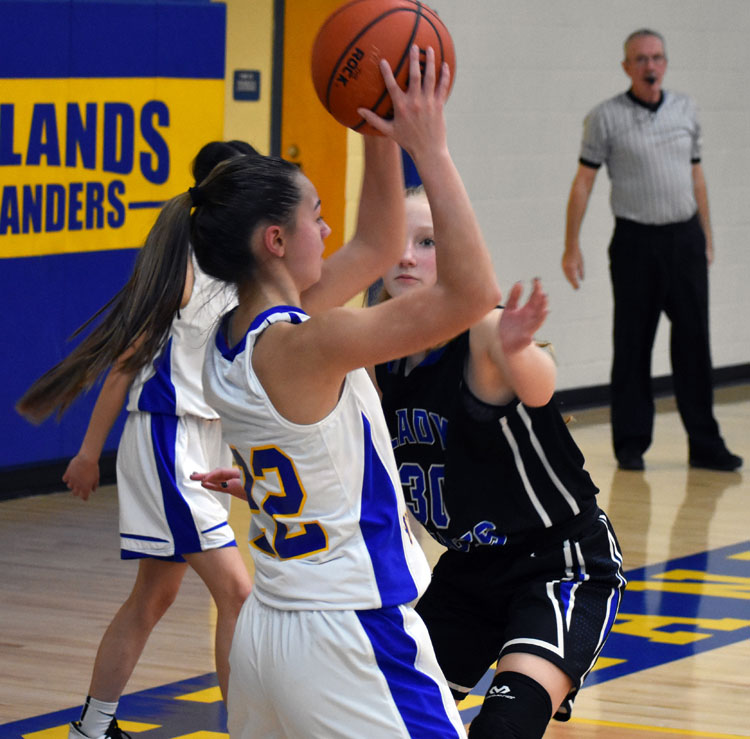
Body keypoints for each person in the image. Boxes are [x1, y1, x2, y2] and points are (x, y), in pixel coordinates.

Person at [189, 46, 500, 738]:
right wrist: (432, 150)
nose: (329, 231)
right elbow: (474, 293)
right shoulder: (309, 343)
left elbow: (378, 243)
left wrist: (378, 128)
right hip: (348, 632)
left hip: (268, 629)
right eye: (317, 216)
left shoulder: (226, 338)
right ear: (276, 240)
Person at [16, 141, 258, 739]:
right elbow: (124, 364)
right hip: (169, 439)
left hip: (206, 442)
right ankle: (243, 728)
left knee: (153, 598)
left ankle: (92, 727)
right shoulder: (184, 263)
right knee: (237, 591)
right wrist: (87, 453)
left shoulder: (241, 264)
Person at [369, 185, 626, 738]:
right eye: (394, 240)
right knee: (380, 719)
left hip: (558, 563)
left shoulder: (485, 330)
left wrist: (515, 350)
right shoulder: (375, 354)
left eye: (427, 242)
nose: (406, 255)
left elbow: (540, 386)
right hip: (468, 570)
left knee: (504, 727)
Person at [562, 28, 742, 472]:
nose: (650, 65)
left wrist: (707, 234)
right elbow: (583, 183)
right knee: (632, 344)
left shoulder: (685, 110)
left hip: (685, 239)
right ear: (626, 67)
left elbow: (696, 176)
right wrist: (571, 246)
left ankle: (706, 444)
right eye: (640, 59)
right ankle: (630, 444)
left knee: (695, 344)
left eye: (657, 57)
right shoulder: (605, 117)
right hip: (635, 244)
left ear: (665, 63)